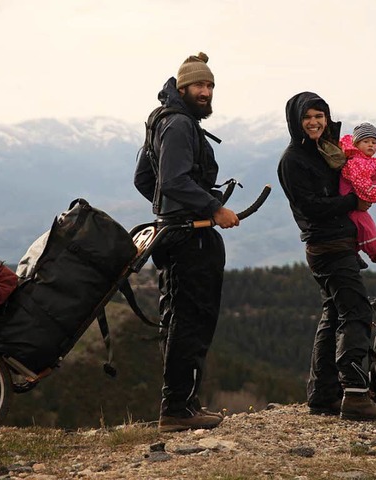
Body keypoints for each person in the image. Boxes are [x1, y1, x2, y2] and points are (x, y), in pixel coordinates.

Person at [133, 52, 239, 432]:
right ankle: (177, 409)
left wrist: (168, 211)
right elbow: (174, 180)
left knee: (179, 319)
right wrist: (211, 208)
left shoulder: (163, 121)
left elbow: (146, 181)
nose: (206, 91)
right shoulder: (179, 125)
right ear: (182, 88)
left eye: (210, 85)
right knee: (192, 321)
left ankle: (183, 403)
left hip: (172, 234)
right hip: (189, 237)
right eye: (199, 85)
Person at [277, 91, 376, 421]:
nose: (314, 122)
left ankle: (323, 395)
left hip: (341, 242)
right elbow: (310, 207)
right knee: (356, 311)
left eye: (319, 115)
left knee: (334, 314)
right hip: (326, 246)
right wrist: (353, 204)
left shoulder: (324, 151)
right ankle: (355, 394)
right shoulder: (293, 160)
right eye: (307, 117)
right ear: (296, 122)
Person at [339, 122, 376, 264]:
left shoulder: (362, 161)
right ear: (356, 144)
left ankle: (354, 254)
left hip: (351, 199)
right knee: (366, 224)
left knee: (356, 229)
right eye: (366, 141)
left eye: (374, 142)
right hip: (350, 198)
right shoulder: (357, 162)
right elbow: (360, 183)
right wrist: (373, 193)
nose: (371, 145)